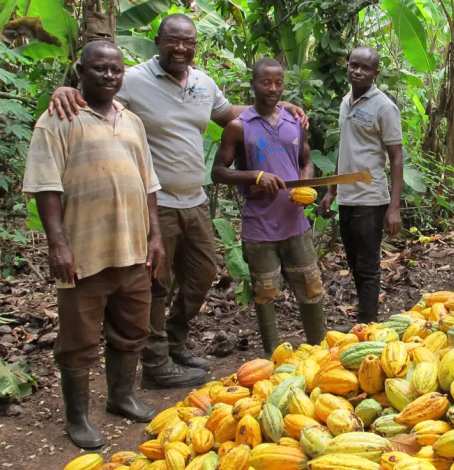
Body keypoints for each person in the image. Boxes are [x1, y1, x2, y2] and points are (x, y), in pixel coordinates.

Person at [47, 14, 309, 389]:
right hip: (155, 202)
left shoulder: (203, 83)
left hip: (194, 199)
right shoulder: (132, 79)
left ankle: (175, 341)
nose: (181, 48)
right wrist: (65, 90)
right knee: (155, 283)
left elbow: (231, 114)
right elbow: (96, 99)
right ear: (158, 41)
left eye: (189, 42)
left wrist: (279, 105)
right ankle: (156, 364)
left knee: (201, 276)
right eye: (173, 40)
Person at [23, 41, 163, 449]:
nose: (109, 75)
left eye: (116, 69)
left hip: (132, 250)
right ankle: (78, 418)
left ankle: (121, 397)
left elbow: (148, 183)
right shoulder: (58, 119)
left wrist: (155, 235)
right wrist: (57, 245)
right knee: (78, 340)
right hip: (84, 253)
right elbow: (46, 186)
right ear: (81, 71)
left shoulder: (131, 120)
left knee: (132, 329)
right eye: (100, 68)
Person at [211, 57, 325, 357]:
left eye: (278, 83)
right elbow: (218, 172)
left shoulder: (294, 122)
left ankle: (320, 352)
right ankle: (272, 358)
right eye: (266, 82)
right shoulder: (239, 127)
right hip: (259, 225)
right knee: (266, 292)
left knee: (311, 286)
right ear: (253, 84)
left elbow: (306, 162)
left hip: (294, 222)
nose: (273, 88)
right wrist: (255, 176)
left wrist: (304, 184)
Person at [318, 46, 403, 330]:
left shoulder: (384, 107)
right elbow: (345, 149)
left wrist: (393, 207)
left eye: (365, 68)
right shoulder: (346, 101)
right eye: (354, 65)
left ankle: (368, 324)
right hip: (347, 197)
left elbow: (396, 157)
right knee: (354, 261)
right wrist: (331, 190)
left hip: (371, 198)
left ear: (376, 73)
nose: (358, 71)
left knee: (368, 265)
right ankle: (364, 318)